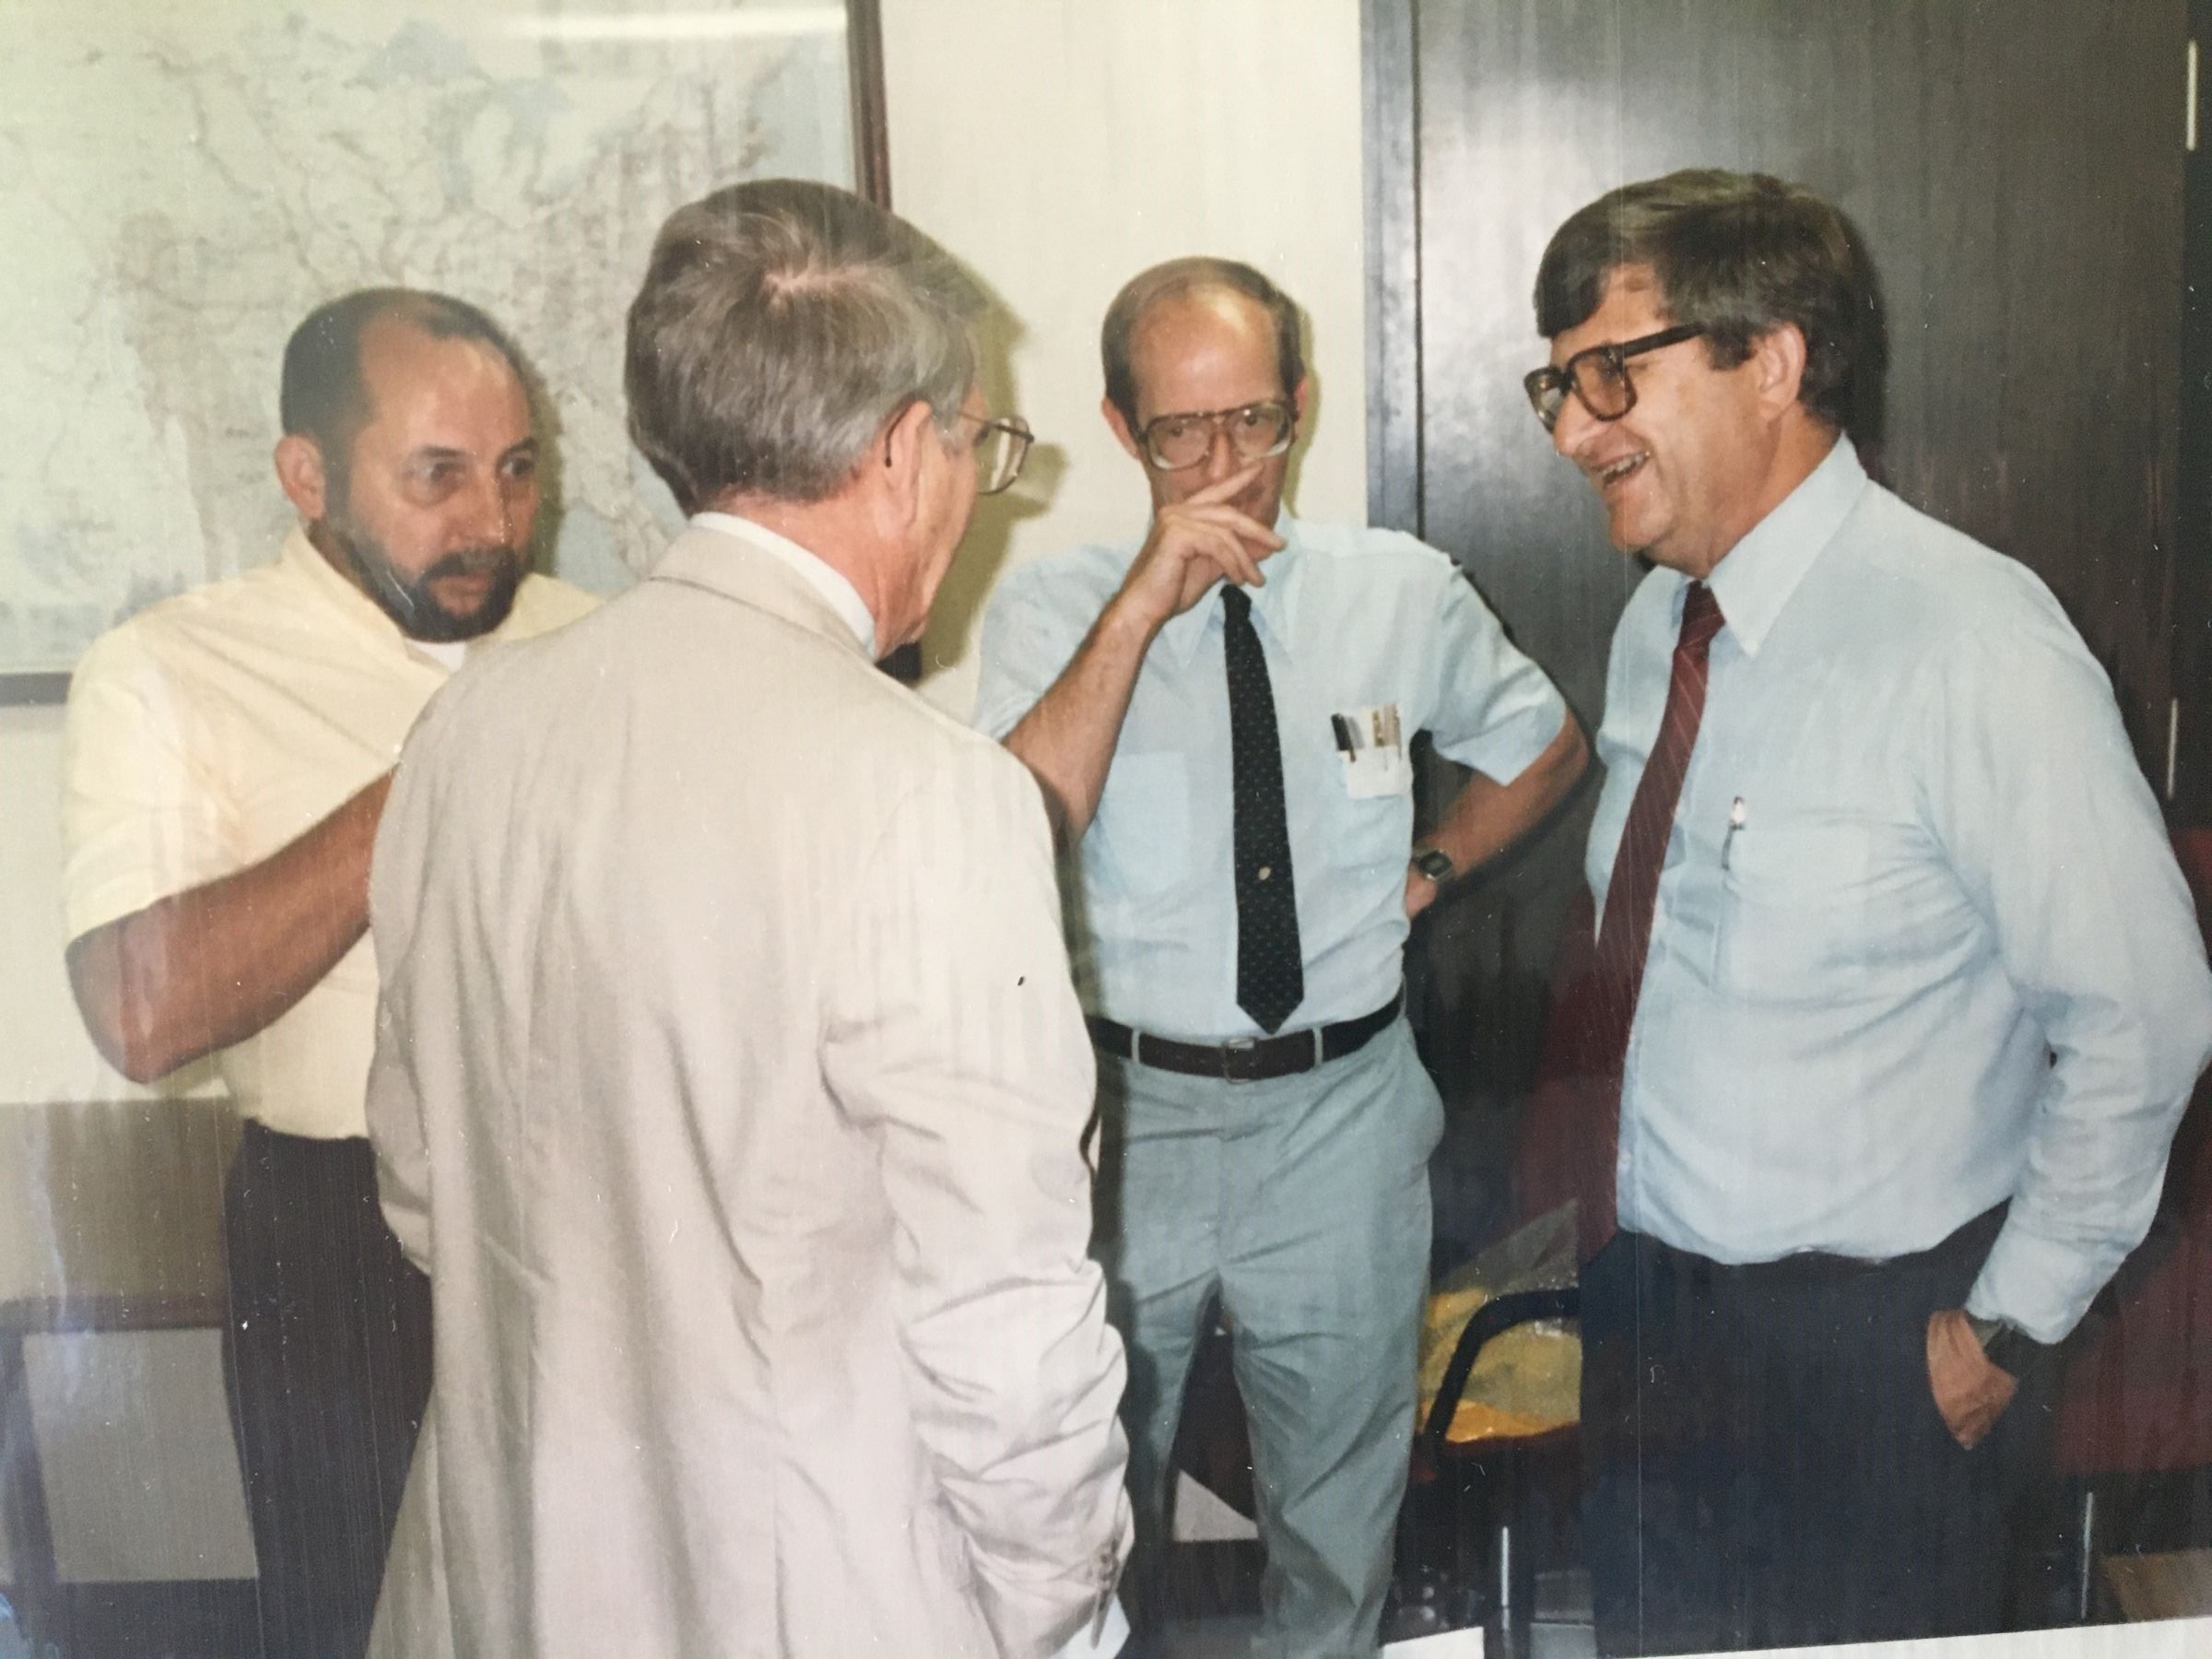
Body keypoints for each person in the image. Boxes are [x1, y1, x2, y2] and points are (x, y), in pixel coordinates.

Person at [362, 179, 1133, 1659]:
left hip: (506, 1568)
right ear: (909, 448)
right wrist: (1061, 1618)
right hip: (812, 1597)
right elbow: (1008, 1329)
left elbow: (421, 1185)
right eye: (983, 445)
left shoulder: (471, 728)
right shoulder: (932, 793)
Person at [1526, 168, 2212, 1654]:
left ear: (1768, 359)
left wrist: (2009, 1325)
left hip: (1880, 1358)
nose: (1577, 430)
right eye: (1560, 386)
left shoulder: (1972, 642)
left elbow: (2144, 1022)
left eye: (1609, 374)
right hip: (1654, 1308)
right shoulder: (1662, 623)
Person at [973, 257, 1587, 1657]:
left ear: (1299, 409)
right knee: (1084, 1509)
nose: (1222, 465)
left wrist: (1432, 871)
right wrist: (1140, 606)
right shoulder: (1046, 611)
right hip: (1127, 1121)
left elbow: (1545, 749)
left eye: (1251, 421)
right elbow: (1004, 826)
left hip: (1341, 1118)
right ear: (1124, 431)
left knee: (1337, 1525)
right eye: (1182, 431)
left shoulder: (1400, 592)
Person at [59, 288, 594, 1659]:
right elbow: (141, 1011)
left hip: (600, 1211)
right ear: (309, 476)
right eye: (437, 476)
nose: (490, 519)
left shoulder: (599, 648)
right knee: (353, 1629)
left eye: (516, 469)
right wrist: (427, 785)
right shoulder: (171, 668)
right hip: (338, 1243)